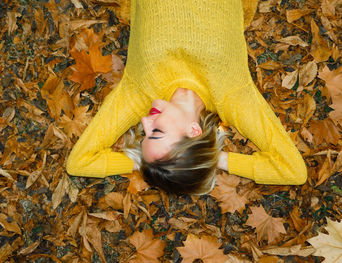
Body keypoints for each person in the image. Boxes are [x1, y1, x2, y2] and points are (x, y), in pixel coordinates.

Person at [66, 0, 307, 195]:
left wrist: (142, 161)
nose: (144, 123)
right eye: (157, 132)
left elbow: (79, 163)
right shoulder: (233, 98)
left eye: (144, 137)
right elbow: (293, 171)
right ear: (194, 131)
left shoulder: (138, 94)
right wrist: (215, 160)